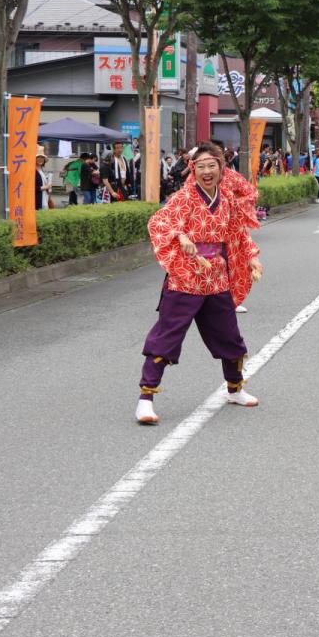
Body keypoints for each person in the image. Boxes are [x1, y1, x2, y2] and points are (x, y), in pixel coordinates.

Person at [134, 142, 263, 425]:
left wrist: (252, 257)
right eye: (201, 166)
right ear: (193, 169)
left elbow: (237, 233)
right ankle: (145, 399)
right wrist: (180, 237)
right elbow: (160, 222)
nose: (207, 171)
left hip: (216, 277)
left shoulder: (226, 199)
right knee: (167, 336)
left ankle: (235, 388)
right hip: (186, 276)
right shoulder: (184, 198)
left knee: (229, 336)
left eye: (212, 166)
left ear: (220, 169)